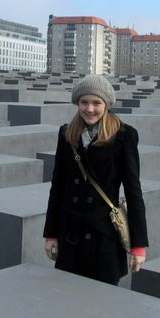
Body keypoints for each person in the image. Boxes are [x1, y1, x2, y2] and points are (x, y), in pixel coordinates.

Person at [43, 74, 148, 284]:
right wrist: (51, 234)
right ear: (77, 103)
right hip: (71, 233)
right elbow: (58, 188)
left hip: (104, 236)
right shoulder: (67, 134)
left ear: (106, 104)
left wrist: (138, 246)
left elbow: (133, 191)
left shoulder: (124, 136)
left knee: (103, 304)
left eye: (96, 103)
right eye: (84, 102)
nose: (89, 109)